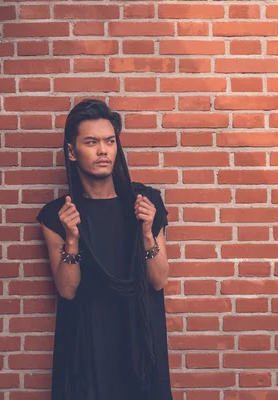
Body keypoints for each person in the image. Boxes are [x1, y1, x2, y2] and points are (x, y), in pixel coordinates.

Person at [36, 99, 173, 400]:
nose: (103, 150)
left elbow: (159, 280)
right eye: (92, 142)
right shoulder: (57, 214)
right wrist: (72, 237)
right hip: (87, 349)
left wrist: (147, 234)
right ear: (72, 152)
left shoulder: (145, 202)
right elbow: (67, 290)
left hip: (139, 342)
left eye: (110, 141)